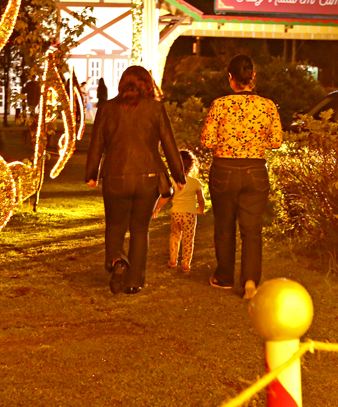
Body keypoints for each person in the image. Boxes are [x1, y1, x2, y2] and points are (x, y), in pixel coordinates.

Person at [85, 66, 186, 295]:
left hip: (115, 175)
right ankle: (133, 282)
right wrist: (179, 176)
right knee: (140, 229)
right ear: (147, 84)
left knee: (115, 225)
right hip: (148, 176)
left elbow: (97, 143)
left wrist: (91, 173)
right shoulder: (155, 108)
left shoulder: (107, 108)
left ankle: (117, 261)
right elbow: (169, 144)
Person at [200, 55, 283, 299]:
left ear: (230, 78)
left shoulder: (220, 105)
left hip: (224, 170)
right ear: (253, 77)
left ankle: (224, 277)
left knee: (224, 227)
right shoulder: (267, 106)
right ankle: (249, 281)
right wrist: (257, 142)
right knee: (252, 230)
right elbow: (276, 141)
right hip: (255, 171)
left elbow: (207, 141)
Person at [154, 149, 205, 273]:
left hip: (176, 213)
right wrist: (201, 209)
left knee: (175, 236)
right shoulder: (196, 183)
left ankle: (173, 260)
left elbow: (165, 197)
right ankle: (186, 264)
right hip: (190, 215)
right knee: (188, 239)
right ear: (192, 165)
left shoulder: (173, 182)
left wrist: (157, 208)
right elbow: (201, 199)